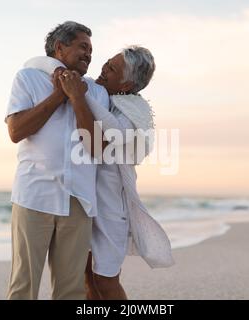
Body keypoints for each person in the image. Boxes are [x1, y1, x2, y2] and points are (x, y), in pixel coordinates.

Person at [25, 46, 175, 300]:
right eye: (107, 63)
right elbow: (36, 61)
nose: (104, 69)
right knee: (85, 277)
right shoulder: (96, 93)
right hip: (84, 204)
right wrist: (61, 72)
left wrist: (79, 96)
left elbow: (110, 132)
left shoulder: (133, 111)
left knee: (105, 280)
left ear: (126, 84)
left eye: (112, 69)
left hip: (111, 212)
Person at [4, 21, 109, 300]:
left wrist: (76, 98)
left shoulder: (96, 92)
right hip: (34, 195)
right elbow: (16, 131)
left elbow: (98, 148)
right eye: (82, 47)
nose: (88, 54)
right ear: (60, 48)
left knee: (71, 291)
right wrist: (57, 95)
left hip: (79, 200)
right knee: (23, 286)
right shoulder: (27, 78)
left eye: (91, 50)